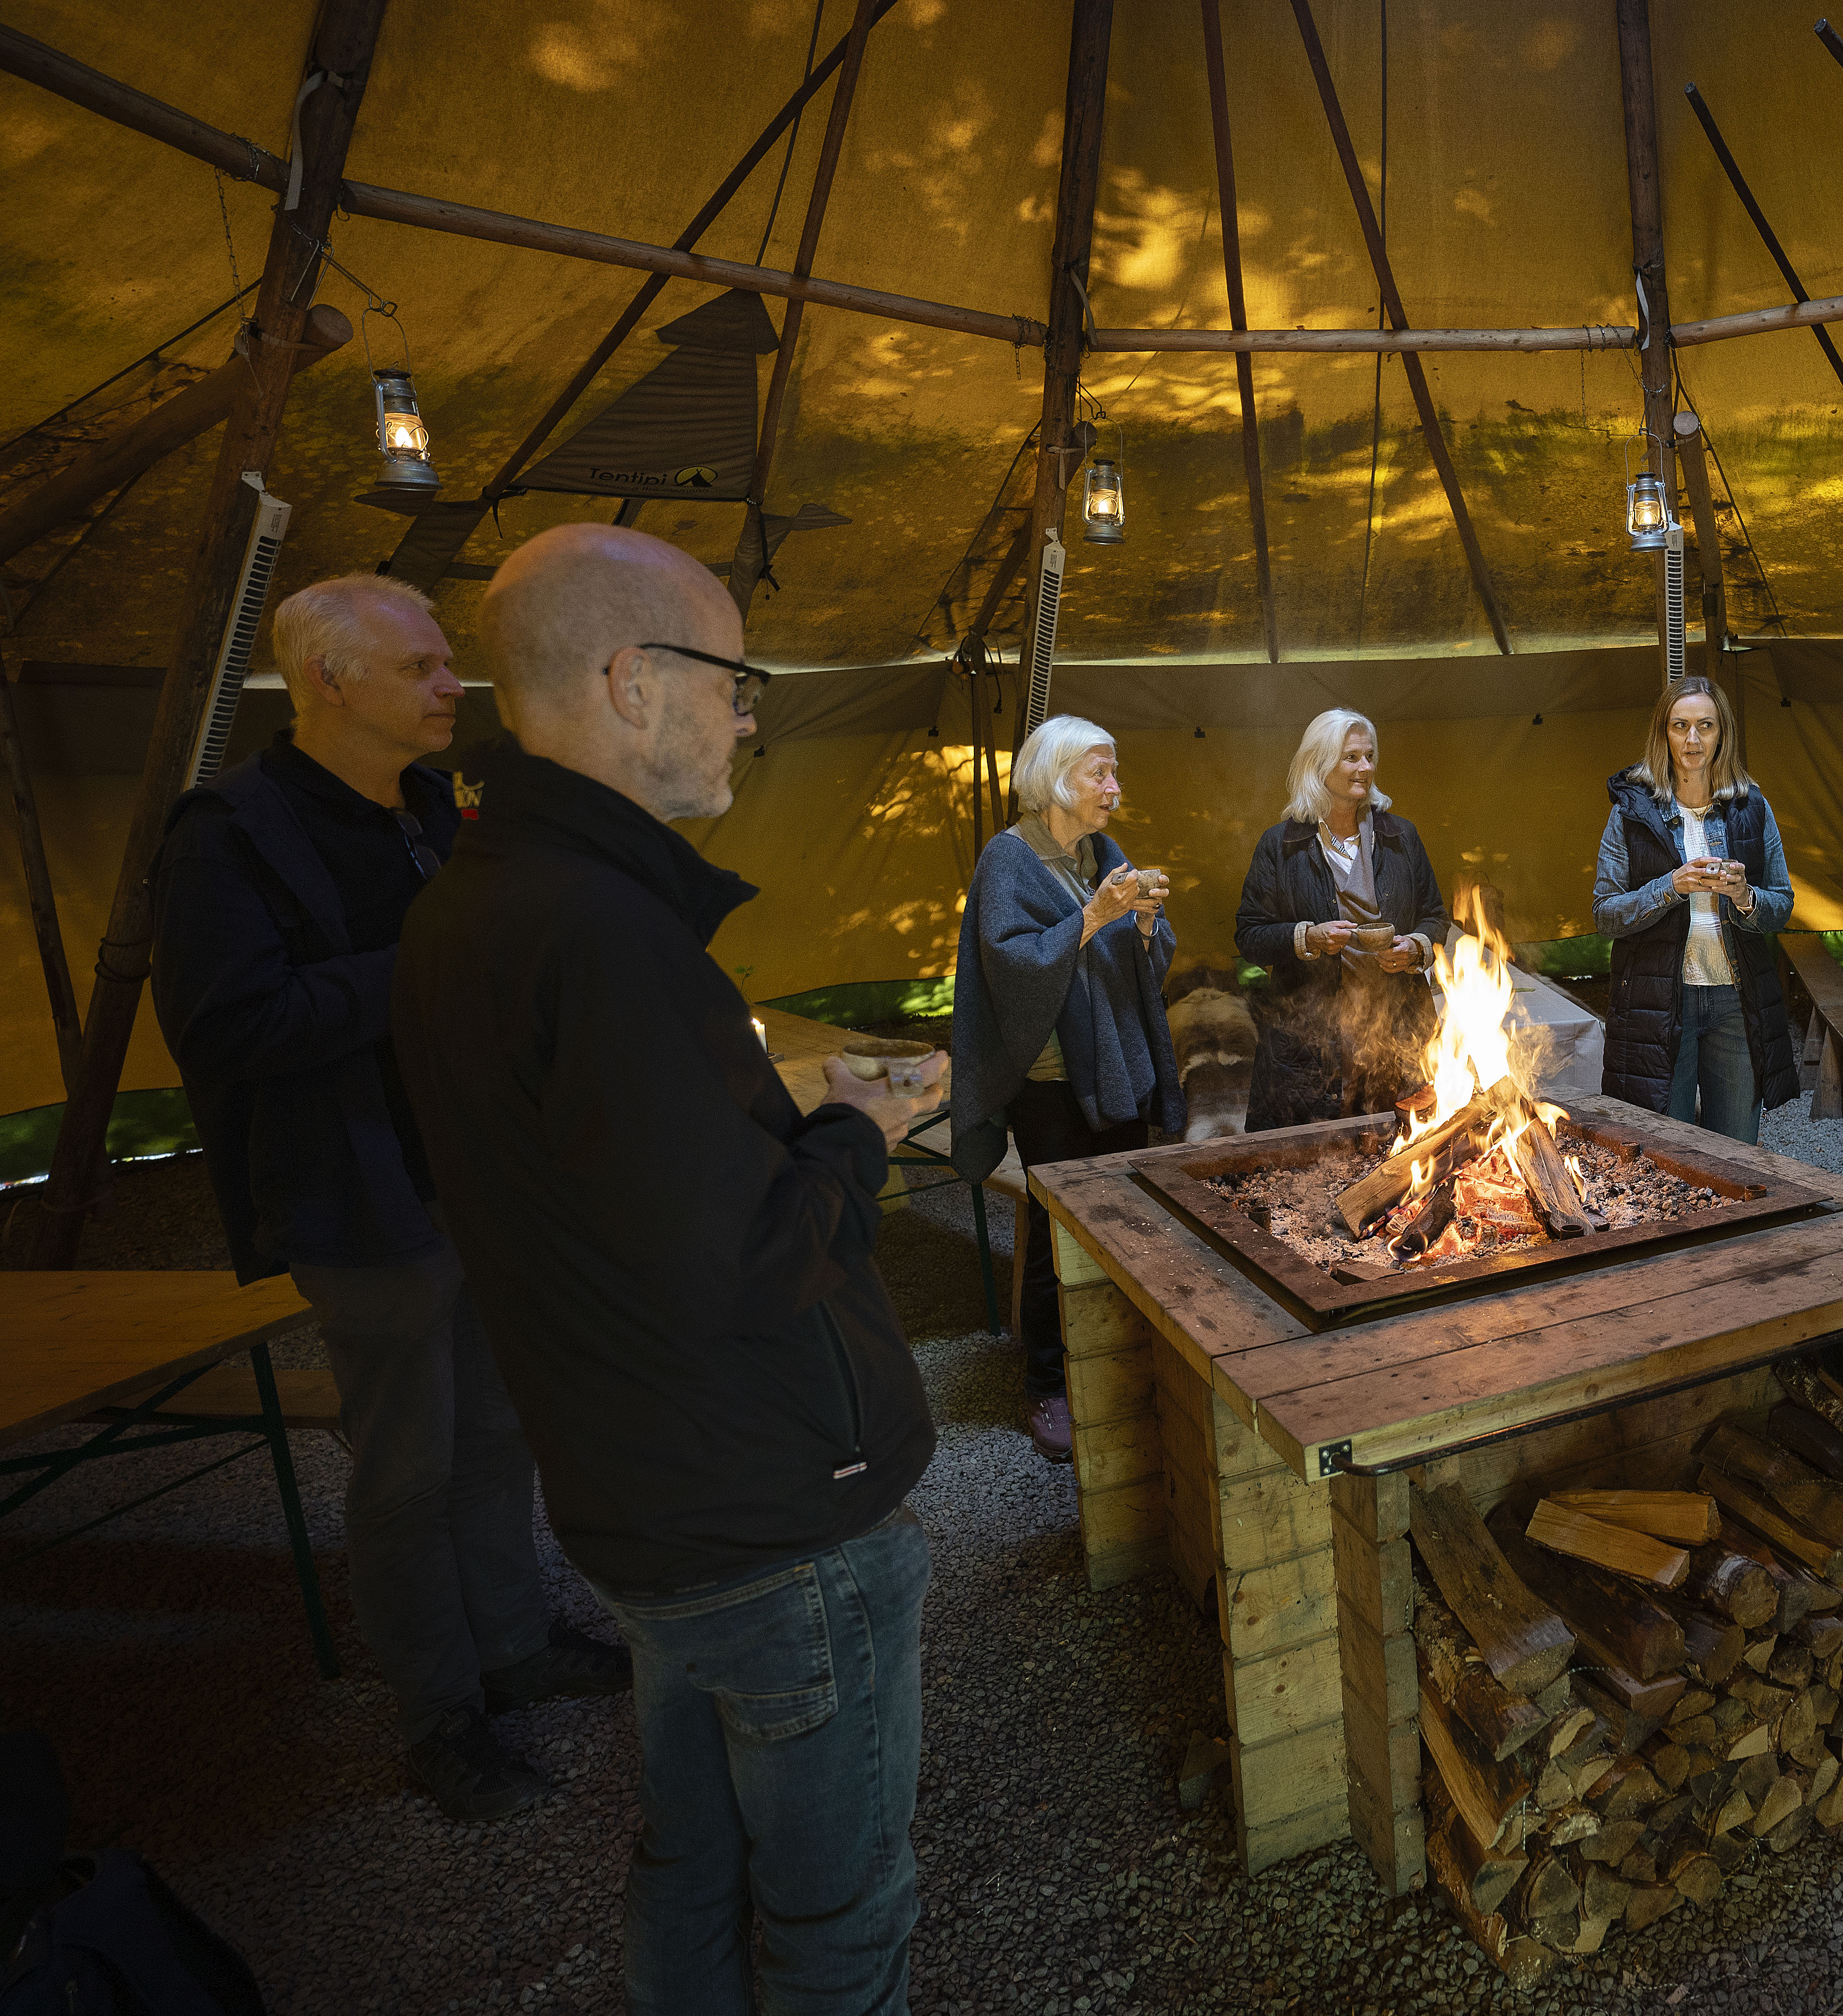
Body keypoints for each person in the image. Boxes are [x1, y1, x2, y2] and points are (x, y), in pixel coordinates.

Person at [393, 524, 940, 2011]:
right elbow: (750, 1266)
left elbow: (598, 1210)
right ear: (634, 682)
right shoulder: (602, 933)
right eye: (735, 679)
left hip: (646, 1506)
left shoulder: (469, 904)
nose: (750, 715)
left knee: (693, 1858)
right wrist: (856, 1130)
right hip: (777, 1528)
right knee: (840, 1911)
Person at [149, 573, 622, 1824]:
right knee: (406, 1464)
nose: (447, 682)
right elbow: (229, 1021)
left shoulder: (427, 804)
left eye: (444, 660)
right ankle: (442, 1711)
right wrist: (421, 956)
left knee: (497, 1431)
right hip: (362, 1204)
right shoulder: (229, 833)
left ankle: (514, 1643)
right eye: (419, 665)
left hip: (473, 1178)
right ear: (328, 680)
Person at [946, 714, 1182, 1464]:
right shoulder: (1007, 862)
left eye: (1115, 772)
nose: (1115, 788)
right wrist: (1093, 918)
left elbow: (1142, 960)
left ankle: (1116, 1362)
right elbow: (1009, 969)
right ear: (1055, 781)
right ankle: (1049, 1386)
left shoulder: (1103, 853)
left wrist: (1144, 925)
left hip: (1117, 1068)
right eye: (1100, 773)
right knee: (1057, 1239)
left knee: (1123, 1221)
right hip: (1051, 1084)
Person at [1591, 676, 1799, 1142]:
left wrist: (1746, 897)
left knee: (1737, 1148)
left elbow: (1782, 904)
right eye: (1680, 726)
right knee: (1673, 1151)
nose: (1692, 739)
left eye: (1705, 726)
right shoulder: (1632, 811)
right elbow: (1605, 914)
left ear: (1722, 732)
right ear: (1662, 733)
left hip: (1734, 999)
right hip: (1664, 999)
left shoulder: (1751, 806)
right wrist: (1670, 886)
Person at [1233, 709, 1448, 1129]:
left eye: (1370, 757)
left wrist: (1416, 947)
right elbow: (1250, 935)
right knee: (1316, 1161)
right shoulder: (1281, 845)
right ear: (1318, 764)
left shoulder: (1400, 837)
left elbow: (1435, 916)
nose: (1366, 768)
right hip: (1311, 1039)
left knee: (1404, 1155)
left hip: (1398, 1030)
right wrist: (1306, 937)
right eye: (1352, 757)